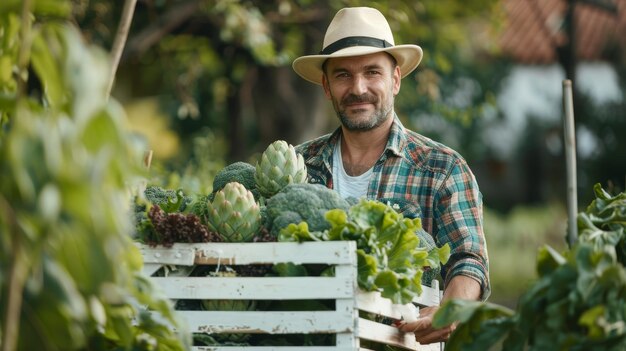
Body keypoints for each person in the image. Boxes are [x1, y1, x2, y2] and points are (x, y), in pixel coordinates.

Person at [291, 7, 490, 344]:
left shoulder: (442, 169)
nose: (358, 88)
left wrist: (452, 307)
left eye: (372, 72)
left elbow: (468, 260)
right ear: (326, 86)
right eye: (342, 75)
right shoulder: (297, 165)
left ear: (395, 80)